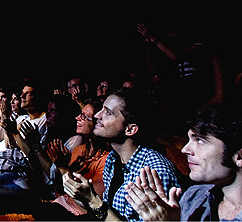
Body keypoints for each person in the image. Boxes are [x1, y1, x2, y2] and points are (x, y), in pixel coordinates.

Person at [62, 87, 182, 221]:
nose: (97, 116)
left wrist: (92, 199)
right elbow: (106, 216)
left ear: (130, 129)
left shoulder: (155, 173)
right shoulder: (113, 159)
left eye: (108, 112)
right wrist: (83, 196)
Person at [124, 103, 242, 221]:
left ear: (239, 157)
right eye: (189, 140)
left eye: (200, 141)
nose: (185, 149)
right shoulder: (194, 196)